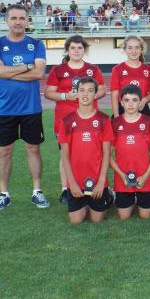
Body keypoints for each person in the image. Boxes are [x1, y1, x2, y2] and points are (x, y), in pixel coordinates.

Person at [0, 4, 49, 212]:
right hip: (5, 109)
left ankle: (37, 191)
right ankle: (4, 194)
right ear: (7, 20)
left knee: (33, 148)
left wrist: (9, 71)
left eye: (22, 18)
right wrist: (25, 67)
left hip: (31, 108)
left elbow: (39, 74)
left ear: (27, 20)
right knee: (5, 150)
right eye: (13, 18)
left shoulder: (36, 44)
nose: (18, 22)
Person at [44, 35, 106, 204]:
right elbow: (49, 93)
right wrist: (66, 95)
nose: (76, 51)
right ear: (67, 50)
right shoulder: (58, 70)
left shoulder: (93, 70)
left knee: (94, 152)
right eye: (73, 48)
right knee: (66, 154)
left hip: (90, 118)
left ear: (84, 50)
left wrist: (88, 97)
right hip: (65, 119)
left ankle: (95, 184)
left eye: (79, 48)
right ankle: (66, 189)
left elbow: (102, 90)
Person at [58, 77, 113, 224]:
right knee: (76, 220)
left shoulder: (104, 120)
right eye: (81, 90)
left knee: (97, 219)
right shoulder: (67, 121)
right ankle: (84, 202)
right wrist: (72, 183)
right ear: (76, 93)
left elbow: (107, 152)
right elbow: (65, 155)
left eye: (90, 91)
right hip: (76, 181)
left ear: (96, 95)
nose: (85, 94)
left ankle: (108, 195)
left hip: (97, 182)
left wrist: (102, 181)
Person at [110, 85, 150, 220]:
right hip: (123, 180)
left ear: (140, 102)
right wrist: (122, 175)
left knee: (145, 216)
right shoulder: (114, 124)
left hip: (144, 179)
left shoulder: (148, 122)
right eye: (126, 100)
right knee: (123, 217)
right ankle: (116, 195)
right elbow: (108, 156)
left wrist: (145, 176)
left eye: (134, 100)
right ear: (121, 103)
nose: (130, 104)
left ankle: (146, 197)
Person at [110, 35, 150, 118]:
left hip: (142, 109)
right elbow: (114, 95)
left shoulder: (148, 70)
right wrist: (116, 115)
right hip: (122, 109)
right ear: (125, 49)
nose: (134, 51)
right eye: (130, 48)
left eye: (137, 47)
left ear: (141, 49)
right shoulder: (117, 69)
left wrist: (145, 100)